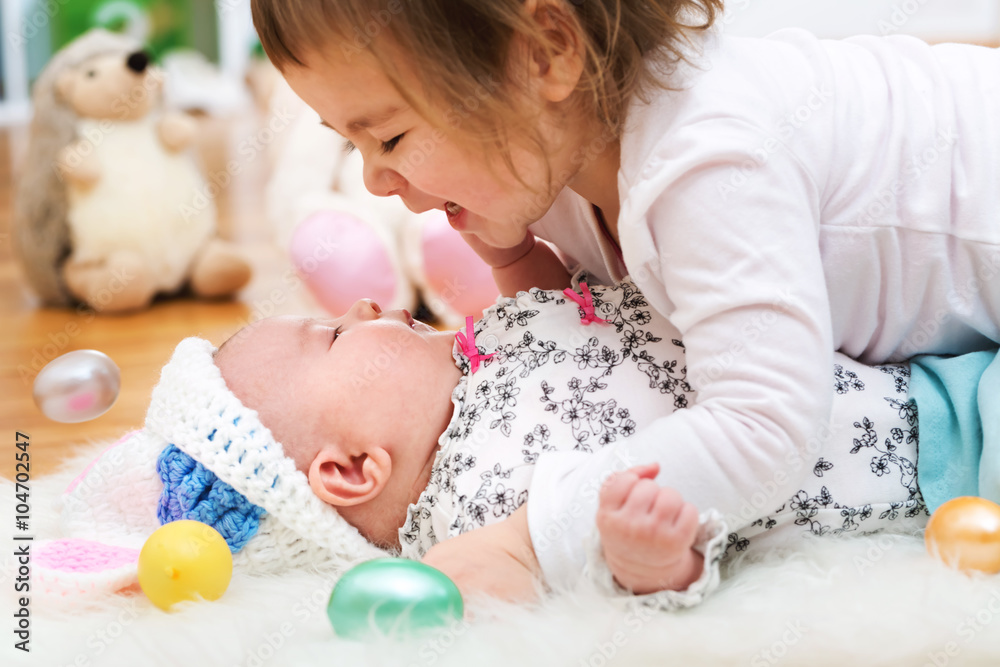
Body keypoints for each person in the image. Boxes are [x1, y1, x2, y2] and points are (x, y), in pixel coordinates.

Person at [249, 0, 1000, 598]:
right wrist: (517, 262)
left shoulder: (706, 161)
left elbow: (767, 428)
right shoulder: (569, 160)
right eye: (353, 146)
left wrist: (530, 539)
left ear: (546, 52)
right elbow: (610, 348)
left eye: (389, 137)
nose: (375, 182)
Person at [212, 276, 929, 603]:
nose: (362, 305)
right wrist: (647, 557)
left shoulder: (478, 352)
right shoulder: (480, 518)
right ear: (352, 469)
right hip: (913, 457)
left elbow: (575, 317)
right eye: (334, 334)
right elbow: (602, 589)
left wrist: (518, 256)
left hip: (874, 349)